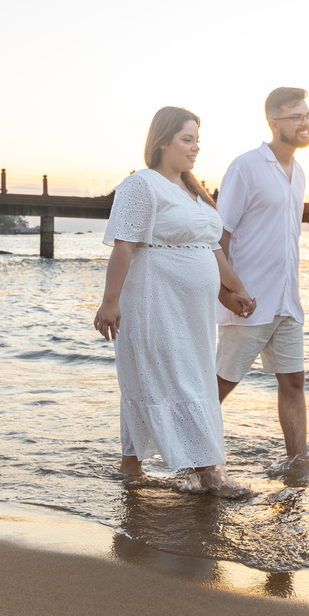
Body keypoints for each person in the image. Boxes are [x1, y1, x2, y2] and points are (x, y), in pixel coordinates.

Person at [94, 106, 256, 498]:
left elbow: (210, 248)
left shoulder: (193, 190)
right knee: (177, 378)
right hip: (155, 301)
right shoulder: (142, 185)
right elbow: (125, 246)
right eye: (187, 139)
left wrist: (233, 291)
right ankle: (208, 473)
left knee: (189, 376)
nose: (195, 147)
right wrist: (109, 302)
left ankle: (130, 468)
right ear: (162, 141)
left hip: (194, 312)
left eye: (197, 140)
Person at [214, 87, 309, 465]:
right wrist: (227, 291)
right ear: (273, 123)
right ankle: (190, 461)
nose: (304, 123)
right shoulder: (247, 167)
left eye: (307, 116)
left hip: (288, 300)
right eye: (296, 117)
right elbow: (218, 236)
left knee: (293, 381)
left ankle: (298, 461)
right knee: (221, 385)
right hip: (249, 300)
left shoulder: (299, 173)